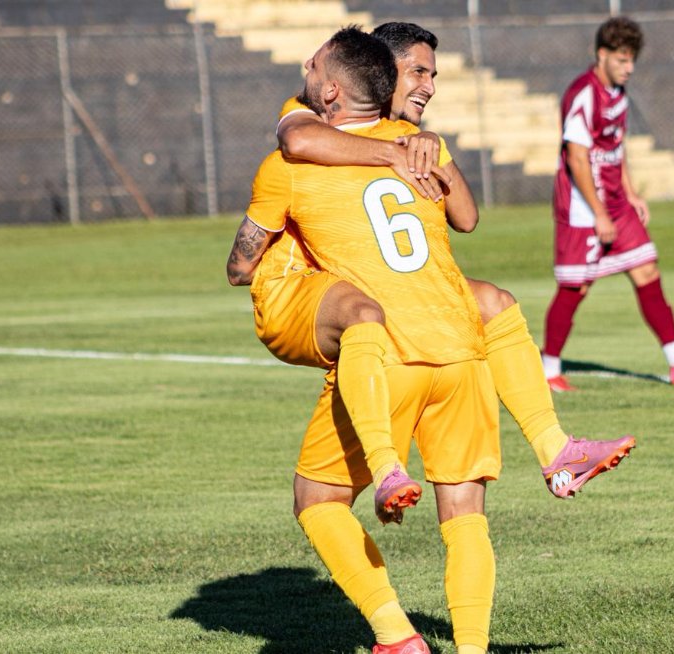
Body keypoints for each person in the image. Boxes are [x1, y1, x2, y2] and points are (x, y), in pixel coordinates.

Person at [267, 21, 635, 501]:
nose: (429, 87)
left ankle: (555, 448)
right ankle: (387, 473)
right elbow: (296, 140)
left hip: (411, 302)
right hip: (353, 310)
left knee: (495, 301)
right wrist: (390, 153)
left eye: (433, 75)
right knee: (323, 501)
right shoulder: (312, 109)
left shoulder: (411, 133)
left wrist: (429, 146)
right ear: (380, 68)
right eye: (418, 72)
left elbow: (466, 217)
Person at [234, 26, 497, 653]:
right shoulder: (421, 153)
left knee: (318, 498)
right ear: (383, 81)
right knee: (465, 514)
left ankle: (396, 636)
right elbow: (467, 218)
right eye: (419, 74)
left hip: (381, 354)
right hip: (458, 350)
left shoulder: (295, 160)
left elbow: (242, 263)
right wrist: (408, 147)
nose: (427, 87)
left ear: (332, 88)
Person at [542, 16, 674, 391]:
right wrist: (598, 215)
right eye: (622, 60)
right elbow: (578, 159)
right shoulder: (583, 93)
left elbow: (615, 148)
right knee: (575, 288)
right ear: (602, 55)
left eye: (632, 61)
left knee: (646, 269)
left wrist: (630, 193)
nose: (629, 68)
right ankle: (547, 370)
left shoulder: (618, 93)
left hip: (614, 201)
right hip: (584, 207)